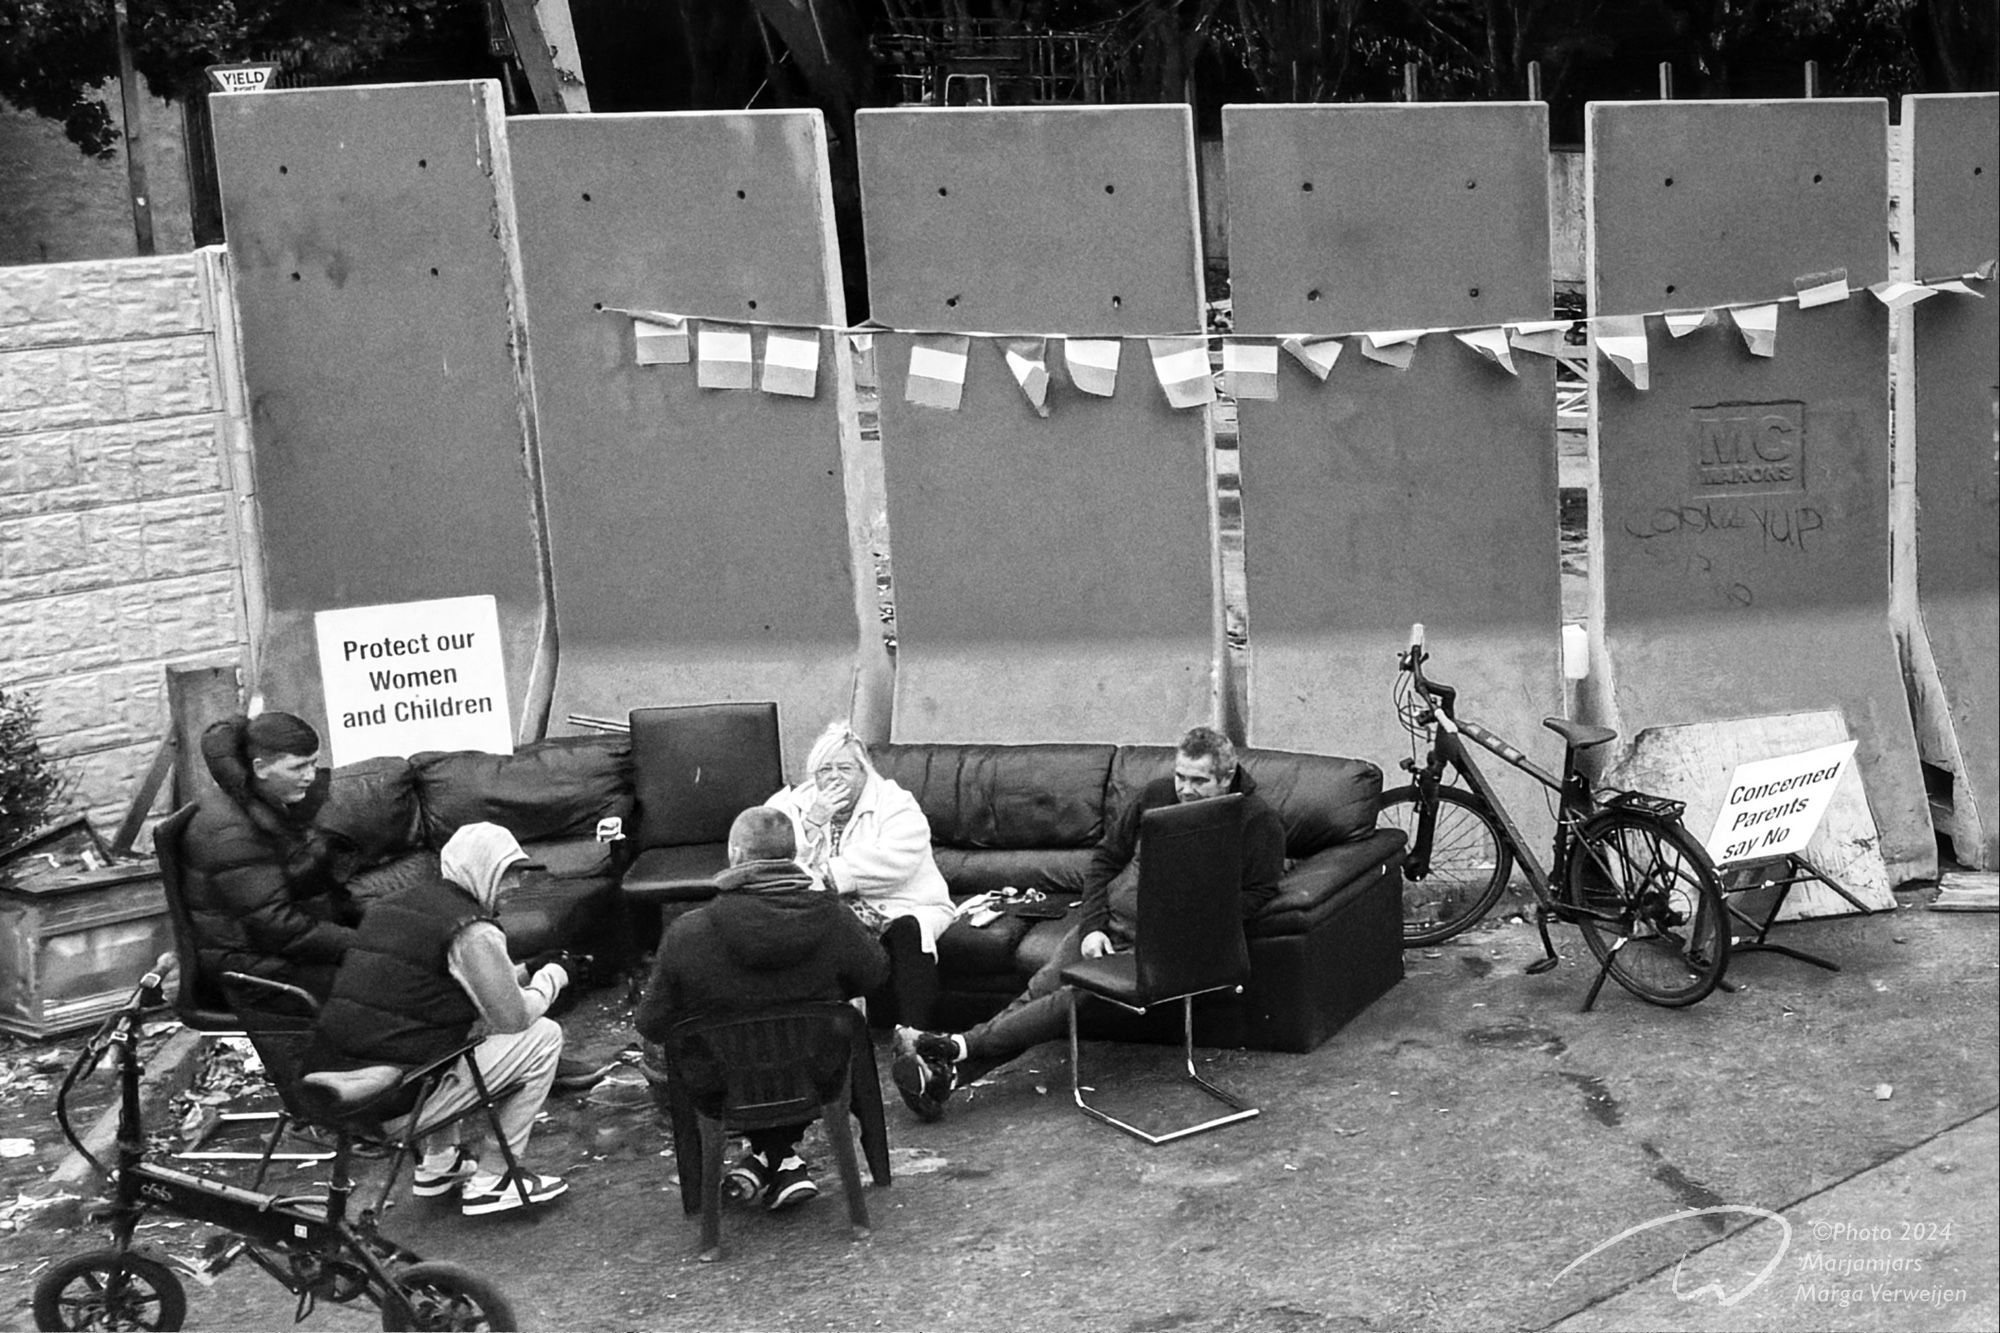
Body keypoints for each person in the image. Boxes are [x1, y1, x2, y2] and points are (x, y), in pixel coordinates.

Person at [891, 725, 1284, 1121]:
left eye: (1199, 781)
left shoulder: (1256, 821)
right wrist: (1094, 925)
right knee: (1039, 991)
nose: (1184, 789)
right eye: (1181, 776)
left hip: (1162, 948)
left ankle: (954, 1046)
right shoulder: (1156, 795)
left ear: (1226, 778)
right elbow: (1105, 861)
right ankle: (950, 1075)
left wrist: (1190, 922)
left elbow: (1259, 894)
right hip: (1107, 925)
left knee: (1069, 1003)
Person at [304, 822, 571, 1217]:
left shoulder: (393, 907)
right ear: (484, 870)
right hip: (395, 1100)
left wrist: (526, 970)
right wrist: (553, 978)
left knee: (443, 1029)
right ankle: (497, 1178)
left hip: (346, 1087)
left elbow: (435, 991)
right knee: (543, 1035)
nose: (515, 886)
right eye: (508, 872)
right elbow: (513, 1018)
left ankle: (439, 1164)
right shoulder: (473, 931)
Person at [635, 807, 886, 1210]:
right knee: (825, 1041)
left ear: (736, 855)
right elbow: (874, 976)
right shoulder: (833, 919)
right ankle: (781, 1157)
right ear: (792, 858)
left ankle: (765, 1159)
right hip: (818, 1078)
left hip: (724, 1090)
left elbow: (652, 1022)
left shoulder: (688, 933)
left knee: (690, 1056)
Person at [764, 720, 954, 1030]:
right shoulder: (791, 806)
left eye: (844, 769)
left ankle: (915, 1038)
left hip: (902, 905)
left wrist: (828, 875)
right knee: (808, 925)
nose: (834, 778)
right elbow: (770, 860)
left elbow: (895, 860)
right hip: (831, 912)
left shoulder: (896, 803)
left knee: (911, 931)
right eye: (825, 770)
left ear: (864, 771)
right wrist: (812, 823)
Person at [183, 712, 358, 1000]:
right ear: (261, 768)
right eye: (299, 767)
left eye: (314, 763)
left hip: (272, 953)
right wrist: (363, 943)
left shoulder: (260, 802)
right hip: (250, 972)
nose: (311, 776)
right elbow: (278, 928)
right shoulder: (231, 831)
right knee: (391, 983)